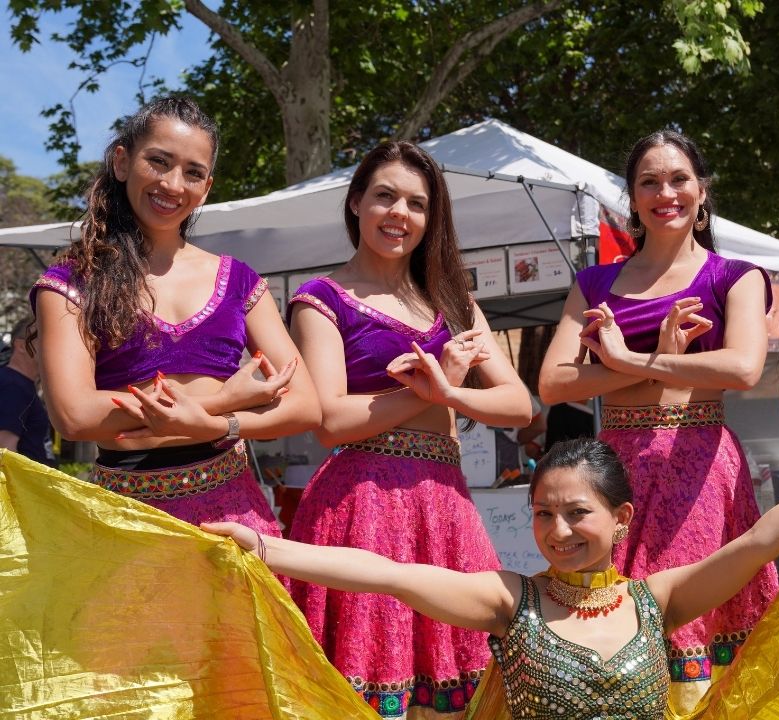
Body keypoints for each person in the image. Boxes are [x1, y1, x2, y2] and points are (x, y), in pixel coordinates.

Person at [202, 436, 779, 720]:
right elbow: (388, 574)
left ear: (621, 519)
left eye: (577, 513)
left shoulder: (658, 599)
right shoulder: (510, 601)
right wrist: (265, 548)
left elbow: (764, 538)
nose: (557, 531)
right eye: (542, 513)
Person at [286, 141, 532, 718]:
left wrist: (446, 392)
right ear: (355, 204)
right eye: (385, 196)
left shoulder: (453, 298)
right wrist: (419, 392)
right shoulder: (320, 300)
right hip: (360, 504)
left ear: (431, 218)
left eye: (417, 204)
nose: (400, 213)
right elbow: (329, 420)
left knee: (460, 680)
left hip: (446, 508)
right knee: (366, 682)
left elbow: (518, 404)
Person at [538, 130, 778, 711]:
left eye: (678, 180)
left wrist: (627, 360)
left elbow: (743, 367)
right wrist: (643, 368)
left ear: (702, 191)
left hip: (697, 462)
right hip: (612, 470)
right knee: (613, 609)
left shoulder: (734, 276)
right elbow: (553, 383)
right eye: (649, 182)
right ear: (632, 196)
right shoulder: (596, 282)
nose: (665, 192)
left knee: (693, 617)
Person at [30, 96, 320, 538]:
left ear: (207, 187)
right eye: (158, 161)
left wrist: (223, 426)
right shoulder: (71, 283)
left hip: (234, 516)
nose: (172, 183)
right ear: (122, 162)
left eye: (193, 172)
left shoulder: (240, 281)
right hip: (127, 521)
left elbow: (305, 406)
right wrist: (224, 400)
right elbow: (73, 415)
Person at [0, 316, 55, 466]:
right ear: (21, 346)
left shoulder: (18, 383)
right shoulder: (13, 386)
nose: (51, 343)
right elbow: (5, 450)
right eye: (42, 336)